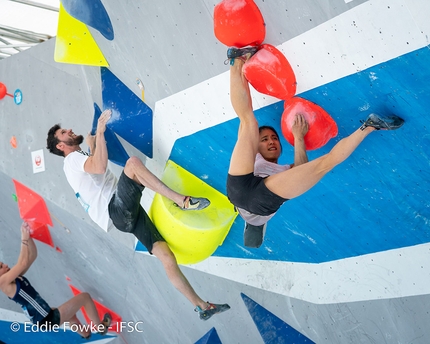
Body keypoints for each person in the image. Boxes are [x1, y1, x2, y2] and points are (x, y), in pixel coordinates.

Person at [46, 112, 230, 321]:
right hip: (117, 209)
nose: (69, 130)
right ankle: (181, 201)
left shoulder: (76, 160)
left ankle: (202, 306)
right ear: (60, 146)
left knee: (166, 257)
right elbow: (99, 166)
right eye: (64, 132)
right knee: (132, 164)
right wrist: (99, 132)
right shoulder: (71, 160)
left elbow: (93, 170)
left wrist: (93, 145)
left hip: (122, 216)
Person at [225, 47, 405, 248]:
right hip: (251, 199)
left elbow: (301, 171)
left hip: (241, 193)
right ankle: (369, 126)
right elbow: (302, 169)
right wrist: (298, 137)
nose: (271, 142)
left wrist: (297, 137)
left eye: (274, 138)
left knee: (247, 122)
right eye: (266, 139)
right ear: (257, 148)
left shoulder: (262, 162)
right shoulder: (273, 166)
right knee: (248, 122)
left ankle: (237, 62)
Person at [0, 222, 111, 339]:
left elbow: (31, 256)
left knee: (70, 315)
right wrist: (24, 239)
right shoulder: (3, 282)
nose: (6, 265)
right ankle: (100, 327)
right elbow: (22, 263)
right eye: (1, 266)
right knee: (85, 298)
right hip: (47, 319)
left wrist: (29, 237)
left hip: (43, 317)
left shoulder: (13, 278)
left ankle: (85, 334)